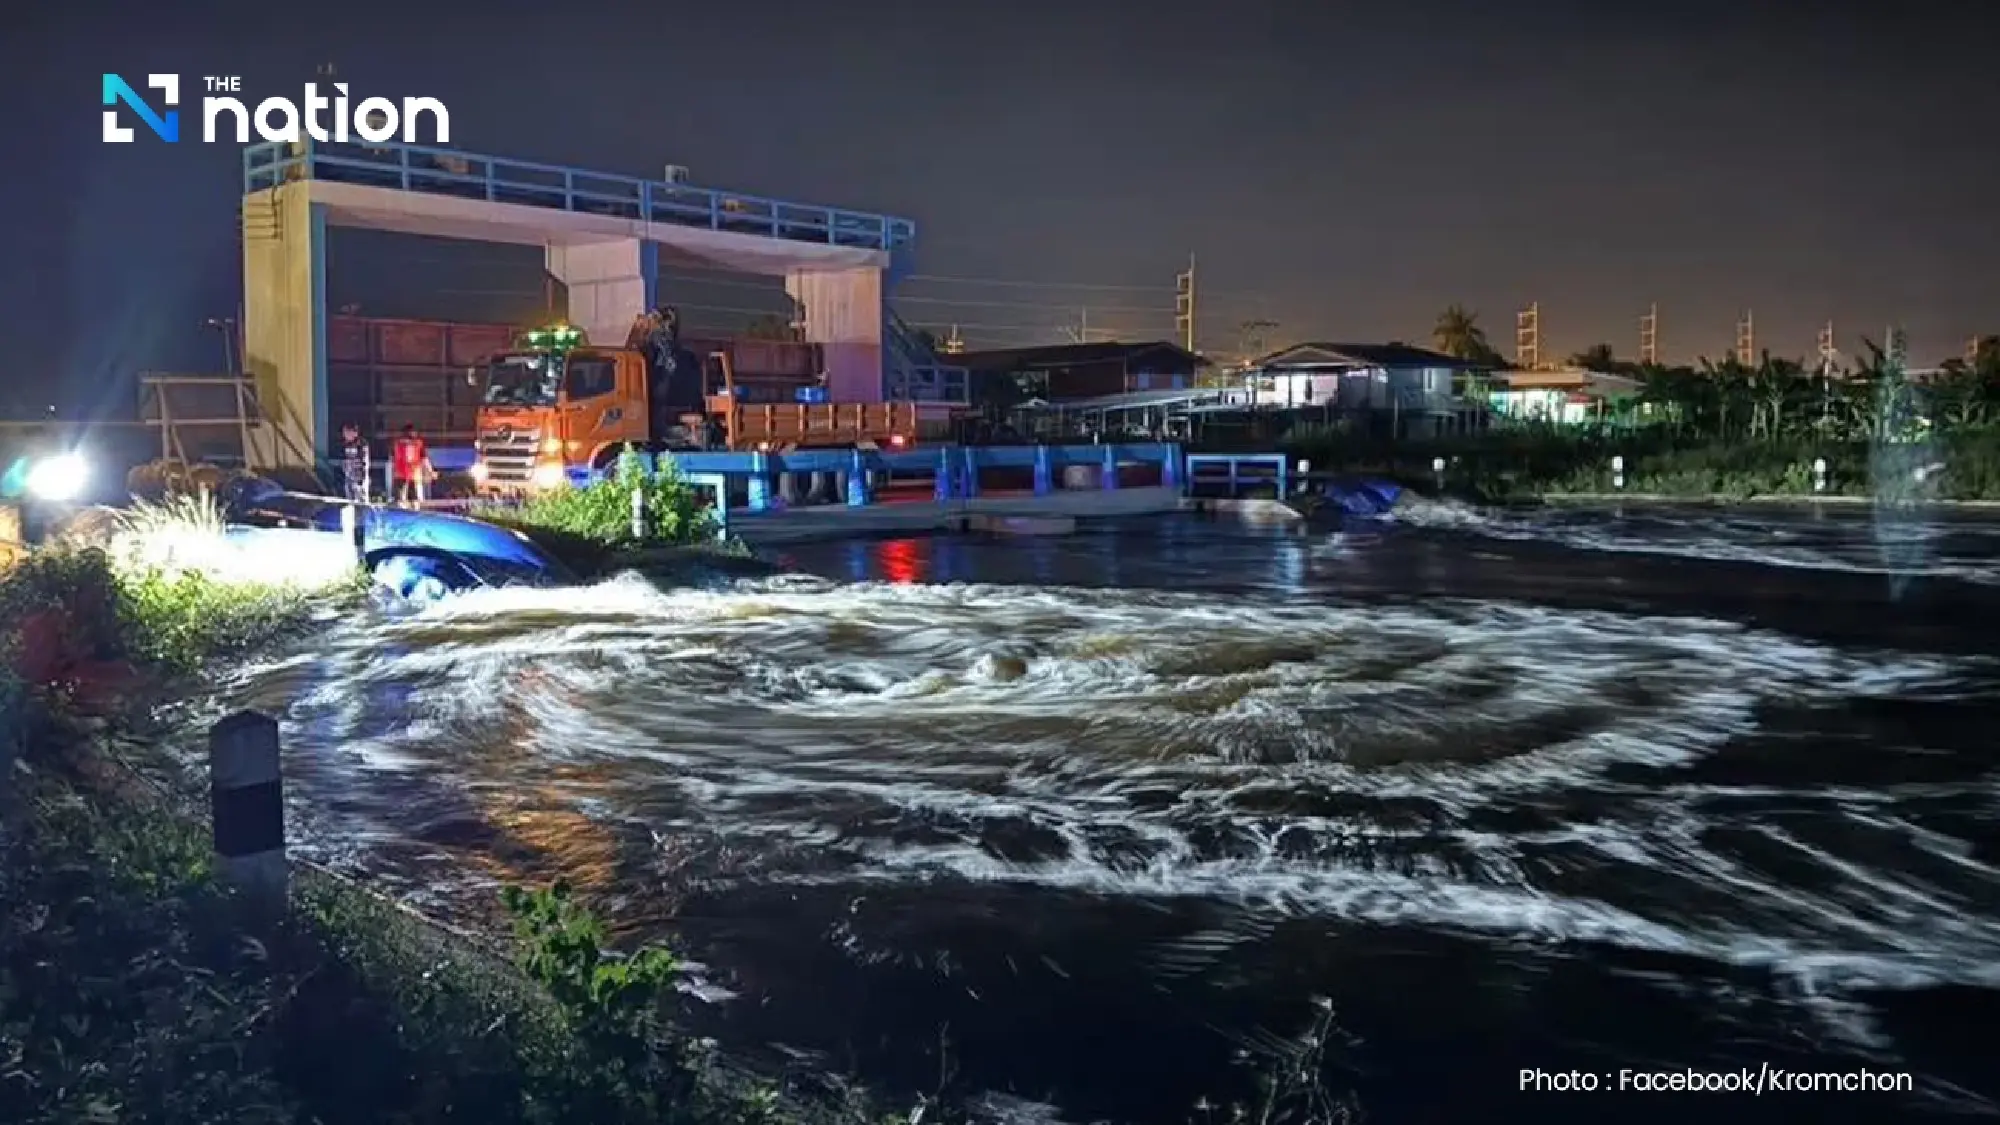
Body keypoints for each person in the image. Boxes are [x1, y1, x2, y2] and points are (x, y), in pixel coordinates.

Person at [391, 424, 431, 507]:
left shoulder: (397, 443)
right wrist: (429, 470)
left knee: (401, 501)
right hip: (412, 476)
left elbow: (392, 458)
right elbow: (424, 458)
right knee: (413, 501)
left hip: (402, 475)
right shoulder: (418, 444)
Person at [339, 422, 371, 504]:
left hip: (359, 479)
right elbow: (344, 459)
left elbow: (364, 463)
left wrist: (361, 479)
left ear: (353, 432)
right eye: (344, 432)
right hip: (348, 477)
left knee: (361, 502)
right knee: (349, 502)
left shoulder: (361, 444)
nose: (344, 434)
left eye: (346, 432)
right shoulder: (345, 444)